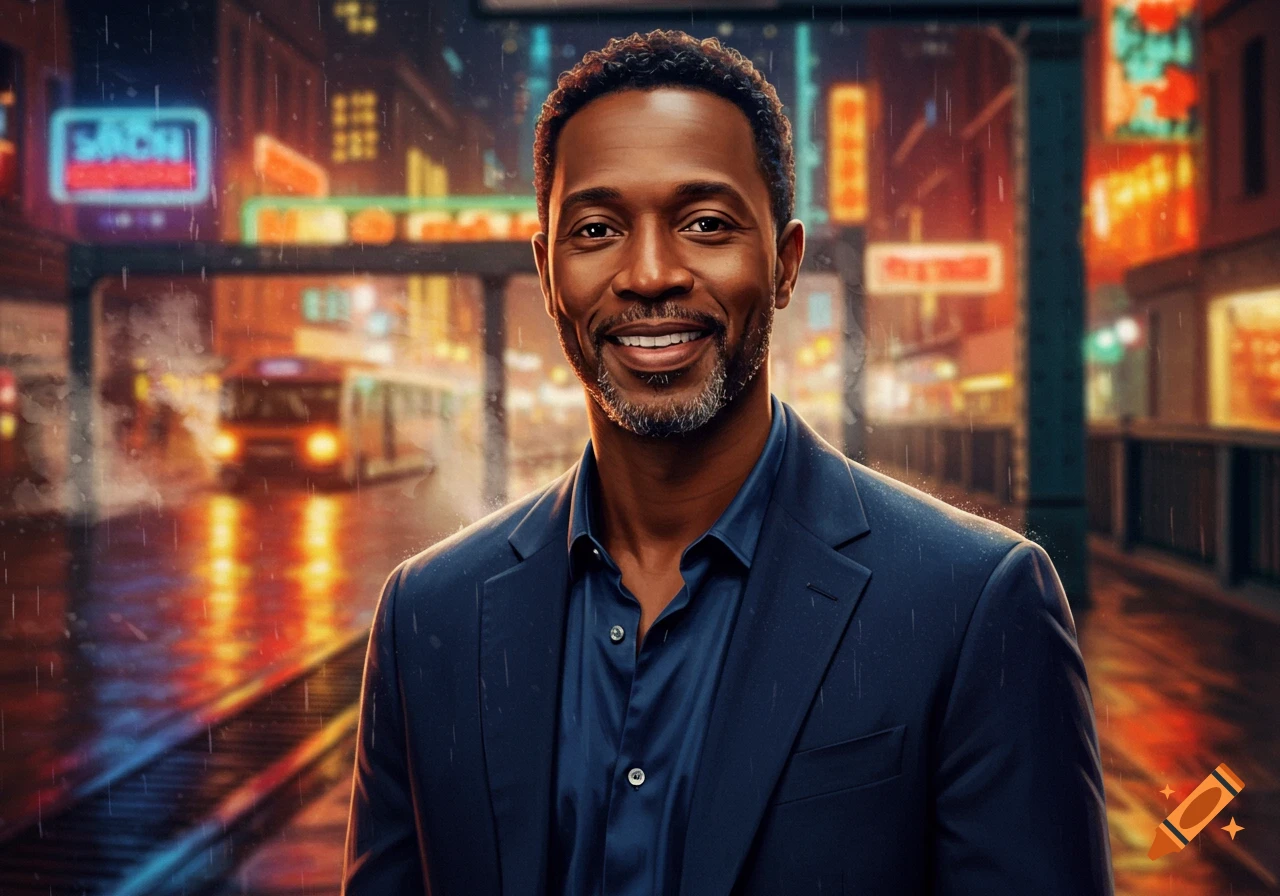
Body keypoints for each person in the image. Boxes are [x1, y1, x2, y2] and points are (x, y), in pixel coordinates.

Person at [343, 29, 1113, 896]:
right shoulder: (426, 616)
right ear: (546, 269)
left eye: (705, 224)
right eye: (596, 228)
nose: (649, 273)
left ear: (784, 264)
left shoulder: (974, 603)